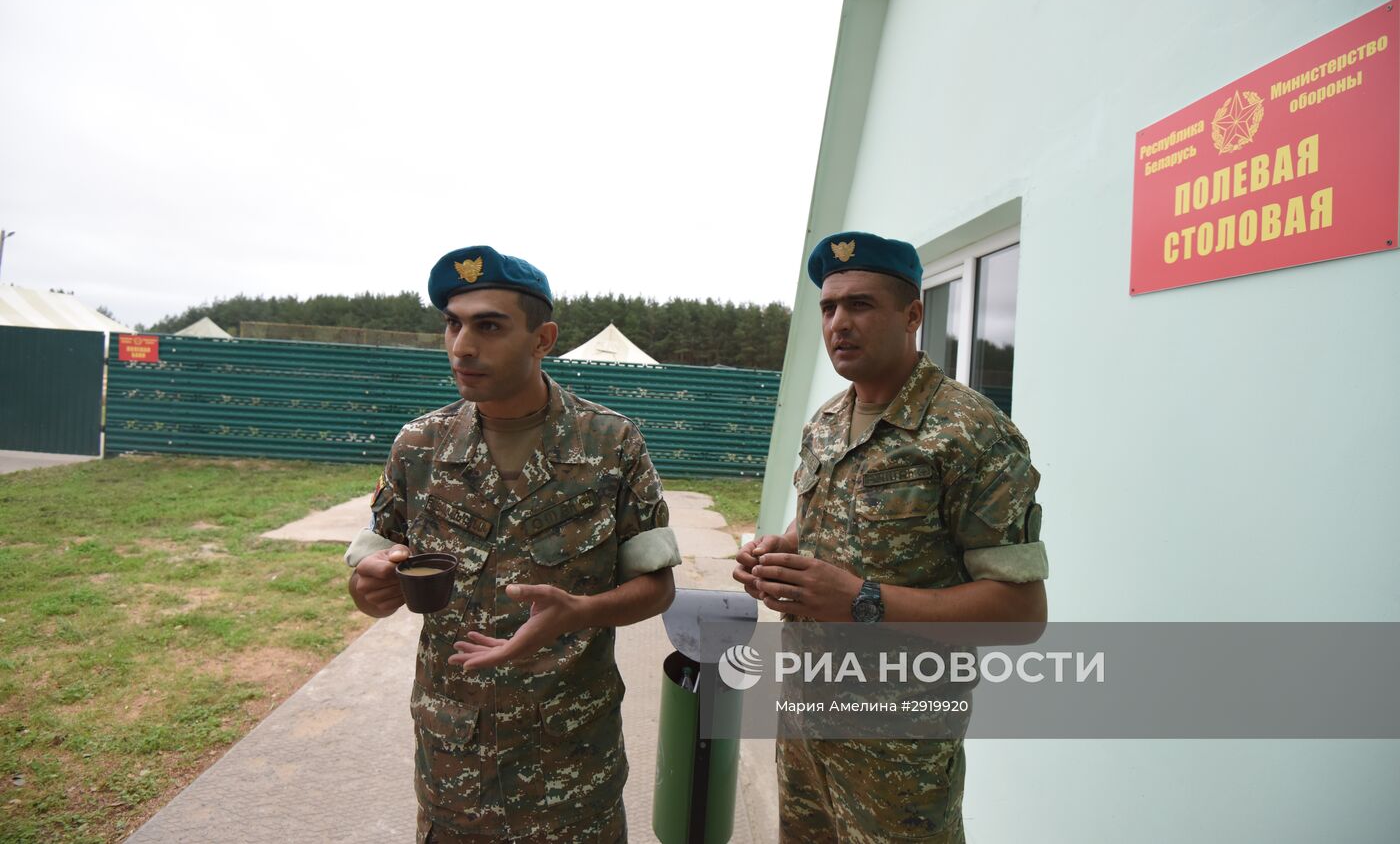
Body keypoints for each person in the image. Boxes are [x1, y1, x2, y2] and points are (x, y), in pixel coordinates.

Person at [345, 245, 680, 843]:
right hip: (455, 764)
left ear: (541, 338)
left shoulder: (611, 443)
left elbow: (657, 587)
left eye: (489, 326)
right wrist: (371, 586)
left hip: (571, 763)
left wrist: (583, 612)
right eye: (453, 323)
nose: (462, 346)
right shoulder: (419, 445)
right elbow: (370, 577)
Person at [733, 231, 1049, 843]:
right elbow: (830, 523)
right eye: (829, 308)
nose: (839, 324)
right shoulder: (826, 422)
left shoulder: (970, 433)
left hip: (898, 756)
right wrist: (783, 551)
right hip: (804, 729)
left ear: (913, 315)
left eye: (861, 305)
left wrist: (861, 601)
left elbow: (1021, 613)